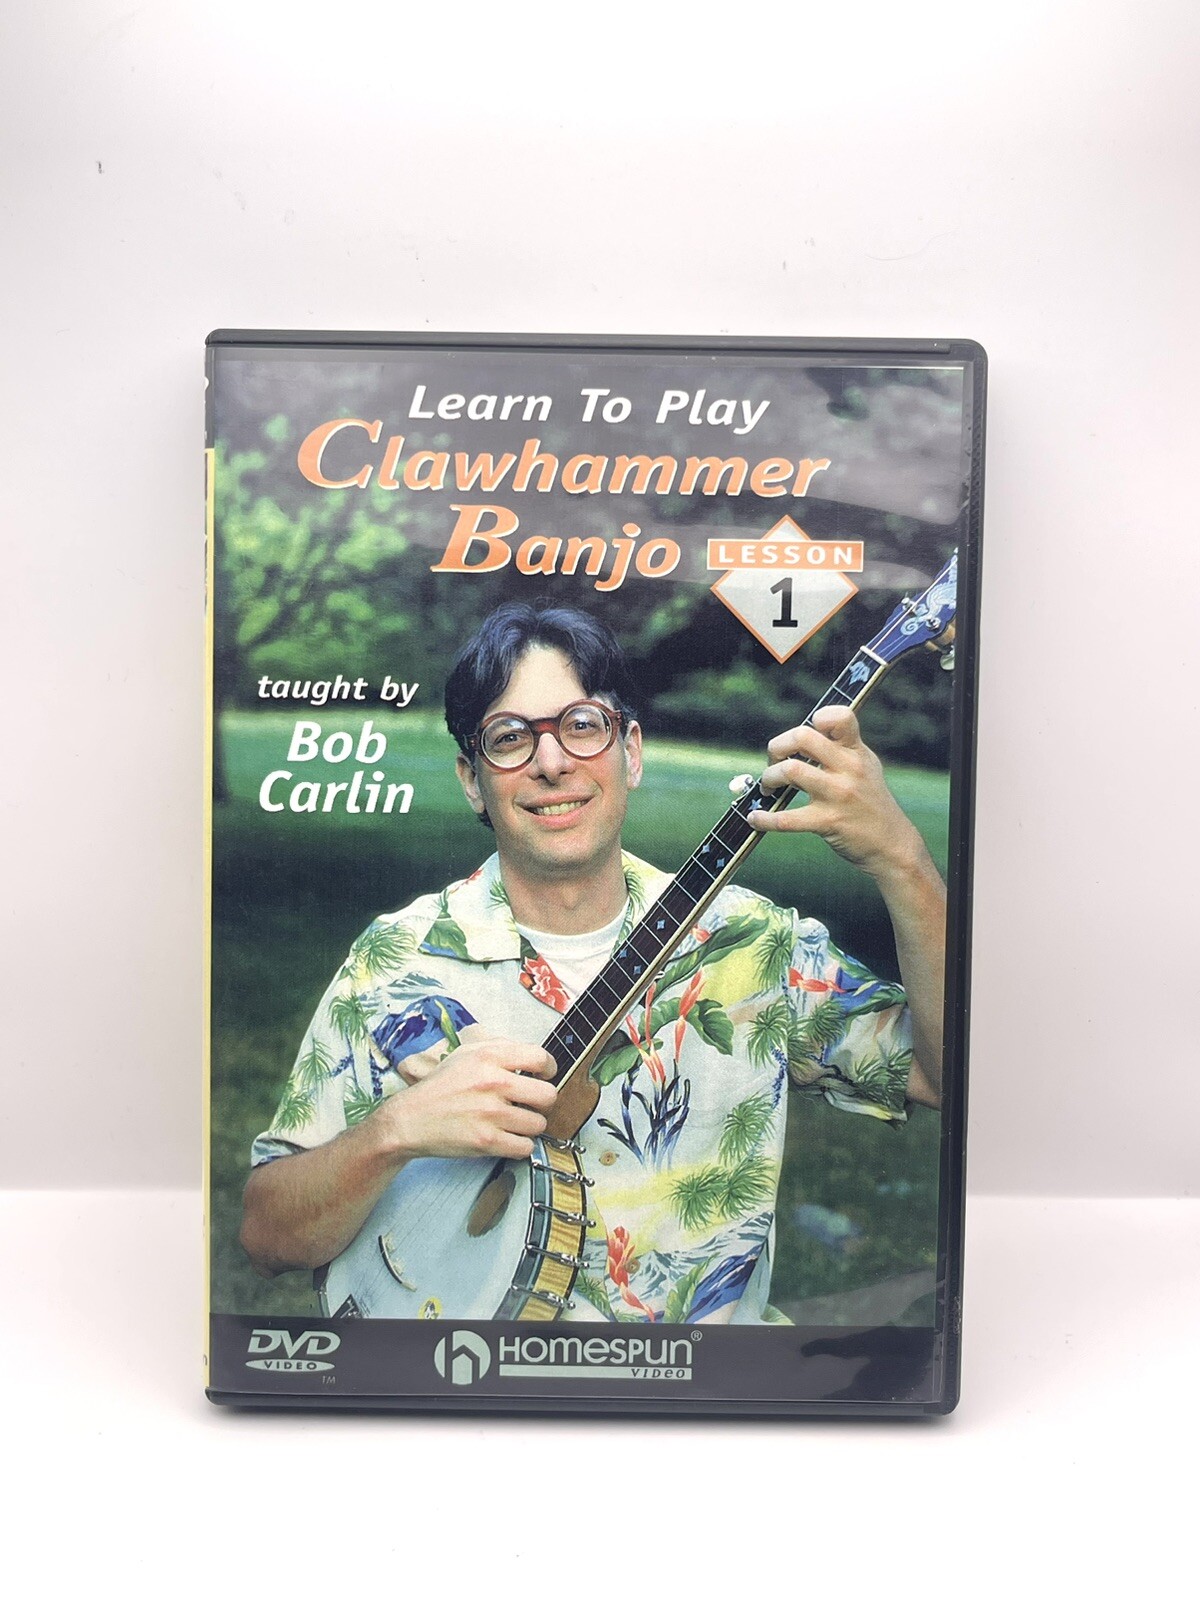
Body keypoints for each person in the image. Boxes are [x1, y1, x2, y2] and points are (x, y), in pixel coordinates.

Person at [240, 604, 946, 1324]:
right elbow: (268, 1238)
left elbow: (946, 1077)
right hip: (466, 1386)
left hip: (706, 1385)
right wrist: (392, 1132)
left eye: (582, 726)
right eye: (509, 738)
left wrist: (903, 860)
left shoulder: (753, 942)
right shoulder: (396, 961)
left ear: (630, 751)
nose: (551, 763)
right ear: (472, 780)